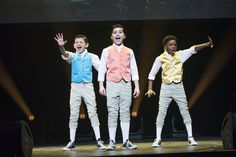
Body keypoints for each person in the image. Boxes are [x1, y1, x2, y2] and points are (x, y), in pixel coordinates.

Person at [145, 35, 213, 147]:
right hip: (165, 88)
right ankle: (157, 139)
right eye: (170, 45)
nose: (173, 46)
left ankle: (190, 138)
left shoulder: (180, 55)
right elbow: (152, 74)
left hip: (178, 87)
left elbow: (193, 49)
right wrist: (150, 88)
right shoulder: (160, 58)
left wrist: (206, 44)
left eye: (175, 44)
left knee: (184, 111)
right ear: (165, 46)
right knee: (161, 112)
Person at [54, 33, 106, 151]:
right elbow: (65, 54)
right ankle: (71, 141)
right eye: (76, 42)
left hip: (88, 86)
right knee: (73, 113)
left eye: (81, 42)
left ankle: (98, 140)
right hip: (75, 87)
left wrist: (103, 83)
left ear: (86, 45)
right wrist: (61, 46)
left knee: (93, 112)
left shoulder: (92, 56)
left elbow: (102, 69)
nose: (78, 44)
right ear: (73, 45)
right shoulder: (72, 56)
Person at [98, 24, 140, 150]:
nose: (117, 34)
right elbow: (102, 69)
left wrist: (136, 86)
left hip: (126, 83)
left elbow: (134, 69)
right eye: (115, 32)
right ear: (111, 36)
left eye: (120, 32)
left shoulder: (129, 51)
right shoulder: (106, 50)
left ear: (124, 35)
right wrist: (101, 85)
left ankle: (126, 140)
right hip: (111, 83)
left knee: (125, 112)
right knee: (112, 112)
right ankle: (112, 141)